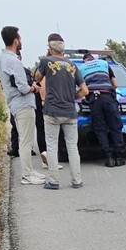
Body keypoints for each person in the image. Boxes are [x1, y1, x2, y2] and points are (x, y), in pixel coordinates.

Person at [34, 33, 87, 189]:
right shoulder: (73, 66)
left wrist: (46, 57)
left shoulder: (46, 61)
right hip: (70, 111)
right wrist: (72, 96)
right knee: (72, 147)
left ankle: (54, 181)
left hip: (52, 110)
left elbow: (37, 78)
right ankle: (76, 180)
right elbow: (85, 90)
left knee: (51, 145)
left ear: (50, 47)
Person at [0, 26, 43, 185]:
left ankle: (29, 171)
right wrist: (33, 88)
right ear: (15, 40)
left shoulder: (1, 59)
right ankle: (27, 175)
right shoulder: (14, 61)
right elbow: (23, 87)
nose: (21, 41)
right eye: (20, 38)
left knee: (24, 139)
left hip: (14, 104)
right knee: (26, 141)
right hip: (23, 104)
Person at [78, 51, 125, 167]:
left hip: (94, 100)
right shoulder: (104, 64)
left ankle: (108, 158)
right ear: (93, 58)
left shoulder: (81, 68)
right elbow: (115, 84)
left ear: (84, 60)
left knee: (100, 129)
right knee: (115, 127)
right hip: (108, 97)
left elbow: (82, 89)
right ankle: (119, 158)